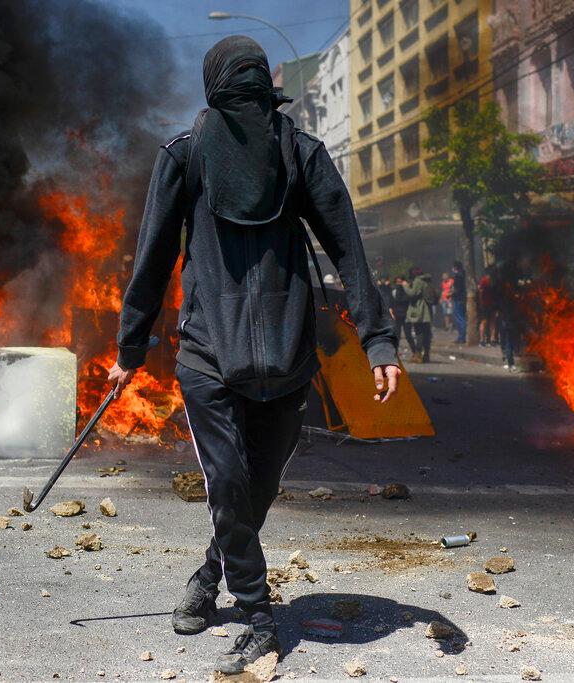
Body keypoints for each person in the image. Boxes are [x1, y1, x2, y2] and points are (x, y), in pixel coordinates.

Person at [107, 36, 400, 675]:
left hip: (290, 356)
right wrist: (131, 346)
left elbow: (347, 248)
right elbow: (153, 257)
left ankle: (207, 575)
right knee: (230, 481)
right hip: (209, 354)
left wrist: (378, 339)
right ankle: (258, 612)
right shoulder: (185, 159)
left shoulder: (301, 155)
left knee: (257, 487)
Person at [403, 267, 435, 363]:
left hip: (420, 309)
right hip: (427, 309)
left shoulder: (418, 280)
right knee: (426, 333)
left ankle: (418, 355)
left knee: (419, 333)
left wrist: (405, 286)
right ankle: (426, 355)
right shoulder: (427, 280)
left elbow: (412, 293)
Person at [390, 276, 416, 355]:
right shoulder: (394, 291)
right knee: (397, 334)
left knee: (408, 334)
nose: (399, 284)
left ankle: (415, 351)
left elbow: (407, 299)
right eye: (397, 282)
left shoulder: (406, 290)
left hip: (406, 315)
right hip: (397, 315)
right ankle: (395, 352)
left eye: (400, 282)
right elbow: (392, 302)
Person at [450, 260, 467, 343]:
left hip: (458, 299)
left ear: (455, 267)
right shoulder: (464, 274)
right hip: (462, 298)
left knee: (460, 318)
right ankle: (461, 337)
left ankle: (461, 338)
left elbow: (457, 289)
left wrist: (451, 293)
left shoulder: (458, 276)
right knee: (461, 317)